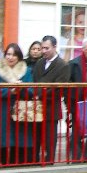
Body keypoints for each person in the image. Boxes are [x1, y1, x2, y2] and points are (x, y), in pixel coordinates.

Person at [0, 43, 34, 165]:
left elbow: (31, 90)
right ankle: (0, 162)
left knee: (18, 137)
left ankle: (16, 163)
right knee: (1, 137)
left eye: (14, 55)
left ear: (19, 57)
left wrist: (21, 89)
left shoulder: (27, 70)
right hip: (1, 108)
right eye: (8, 54)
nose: (10, 57)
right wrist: (10, 91)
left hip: (20, 108)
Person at [31, 35, 70, 164]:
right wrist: (36, 94)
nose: (43, 51)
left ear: (54, 47)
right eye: (42, 48)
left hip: (51, 107)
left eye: (46, 48)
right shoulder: (39, 63)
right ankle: (34, 162)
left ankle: (49, 163)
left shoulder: (63, 65)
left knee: (50, 140)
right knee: (36, 138)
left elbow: (58, 88)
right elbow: (35, 81)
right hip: (37, 107)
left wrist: (39, 94)